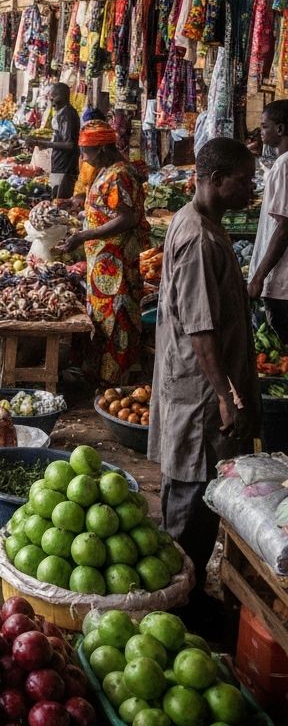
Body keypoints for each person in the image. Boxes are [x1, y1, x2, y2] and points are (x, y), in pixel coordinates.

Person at [147, 137, 260, 614]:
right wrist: (224, 394)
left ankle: (184, 592)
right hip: (199, 389)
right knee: (191, 495)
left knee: (199, 490)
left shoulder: (200, 224)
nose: (250, 189)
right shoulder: (198, 239)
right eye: (242, 180)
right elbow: (202, 331)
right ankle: (176, 604)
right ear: (215, 180)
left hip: (199, 385)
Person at [59, 120, 149, 391]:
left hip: (116, 261)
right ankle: (99, 375)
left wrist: (84, 235)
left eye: (86, 150)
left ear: (103, 148)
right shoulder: (105, 170)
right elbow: (103, 208)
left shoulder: (120, 174)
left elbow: (126, 218)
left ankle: (114, 381)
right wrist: (76, 207)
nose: (83, 156)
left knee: (118, 319)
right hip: (102, 261)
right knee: (103, 319)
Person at [248, 99, 288, 338]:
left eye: (265, 126)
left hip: (282, 283)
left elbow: (284, 227)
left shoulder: (283, 167)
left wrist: (259, 276)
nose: (261, 132)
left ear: (280, 129)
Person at [28, 82, 80, 199]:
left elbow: (70, 144)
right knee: (55, 196)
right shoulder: (62, 113)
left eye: (54, 95)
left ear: (64, 96)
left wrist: (44, 144)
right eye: (50, 96)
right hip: (59, 164)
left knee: (60, 200)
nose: (51, 99)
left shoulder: (67, 115)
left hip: (65, 166)